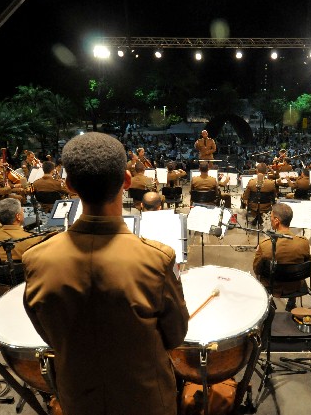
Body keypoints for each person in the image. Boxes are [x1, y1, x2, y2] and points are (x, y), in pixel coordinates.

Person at [23, 132, 189, 415]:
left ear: (70, 186)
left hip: (77, 399)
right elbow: (175, 336)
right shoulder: (157, 259)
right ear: (126, 180)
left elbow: (49, 334)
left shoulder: (35, 259)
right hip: (146, 400)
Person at [253, 203, 311, 310]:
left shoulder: (265, 244)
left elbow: (257, 269)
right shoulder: (304, 243)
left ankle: (268, 303)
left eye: (271, 217)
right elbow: (307, 262)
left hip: (272, 287)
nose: (270, 220)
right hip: (295, 286)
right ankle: (291, 302)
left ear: (276, 220)